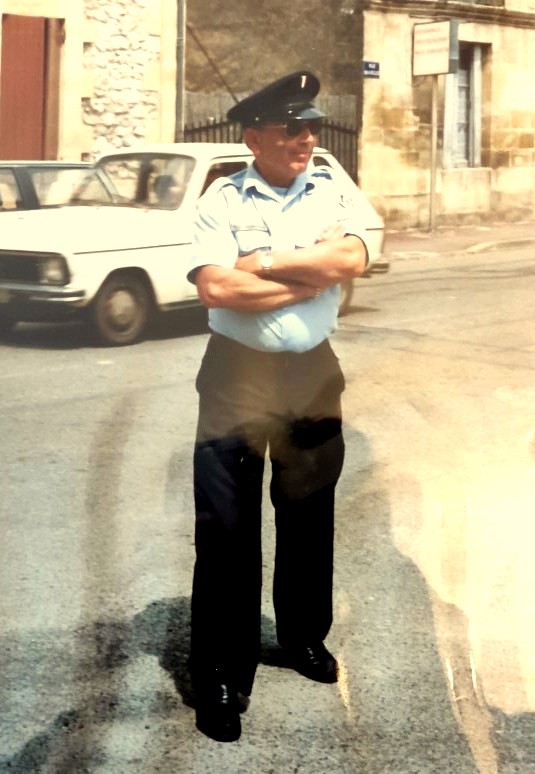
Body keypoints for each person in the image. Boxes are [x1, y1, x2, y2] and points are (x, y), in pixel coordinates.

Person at [186, 70, 370, 743]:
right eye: (292, 127)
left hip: (313, 375)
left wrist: (261, 265)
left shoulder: (332, 183)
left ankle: (300, 638)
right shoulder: (219, 199)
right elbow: (214, 289)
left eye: (311, 125)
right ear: (254, 135)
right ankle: (220, 673)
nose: (308, 138)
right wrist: (306, 276)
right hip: (238, 376)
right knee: (226, 529)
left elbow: (351, 259)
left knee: (307, 515)